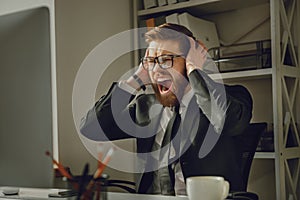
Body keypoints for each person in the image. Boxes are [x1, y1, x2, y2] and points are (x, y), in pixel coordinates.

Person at [80, 23, 253, 195]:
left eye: (165, 60)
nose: (156, 69)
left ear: (188, 61)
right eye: (151, 62)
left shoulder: (231, 98)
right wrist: (135, 80)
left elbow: (228, 121)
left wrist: (194, 70)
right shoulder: (145, 108)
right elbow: (91, 127)